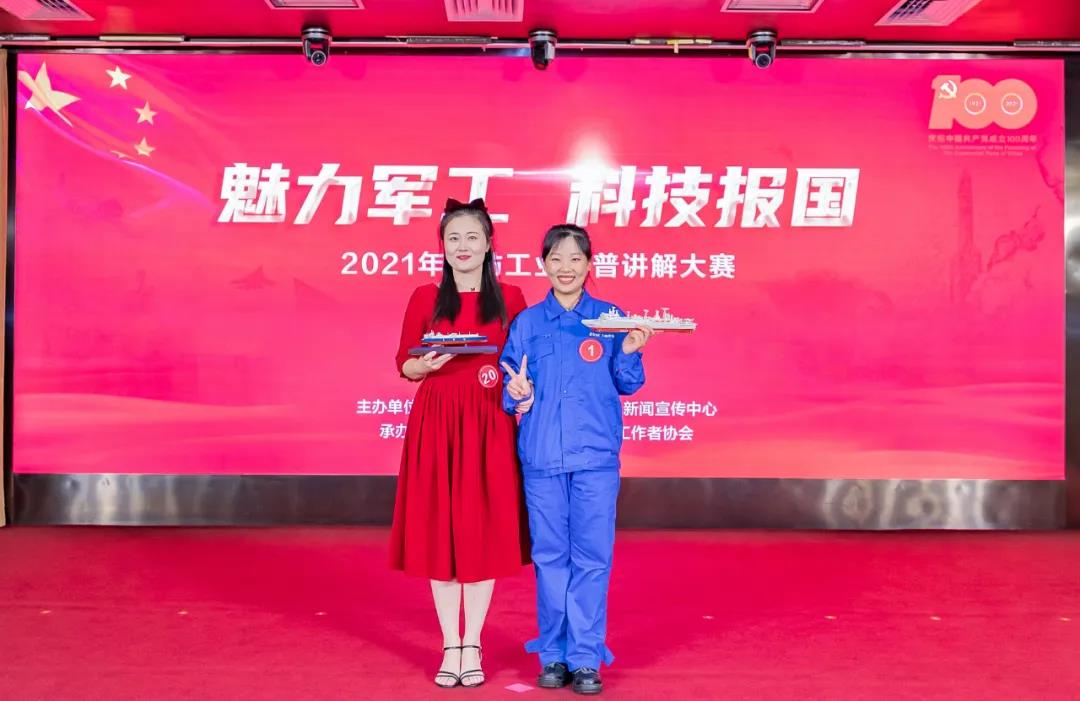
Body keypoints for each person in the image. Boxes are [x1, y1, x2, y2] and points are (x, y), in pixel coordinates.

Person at [499, 224, 654, 695]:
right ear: (543, 264)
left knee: (592, 558)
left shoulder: (610, 319)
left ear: (589, 264)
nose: (565, 268)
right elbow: (510, 392)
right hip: (543, 458)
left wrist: (630, 352)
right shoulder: (527, 324)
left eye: (575, 259)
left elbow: (628, 383)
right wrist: (517, 392)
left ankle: (585, 657)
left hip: (596, 459)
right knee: (550, 557)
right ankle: (553, 654)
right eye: (556, 259)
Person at [389, 198, 530, 688]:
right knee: (440, 530)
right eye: (453, 238)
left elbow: (523, 361)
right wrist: (421, 365)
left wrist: (522, 388)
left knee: (480, 530)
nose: (462, 246)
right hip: (437, 421)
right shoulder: (424, 296)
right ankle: (451, 643)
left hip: (489, 422)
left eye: (472, 237)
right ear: (443, 247)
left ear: (489, 244)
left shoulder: (510, 297)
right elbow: (404, 362)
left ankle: (474, 643)